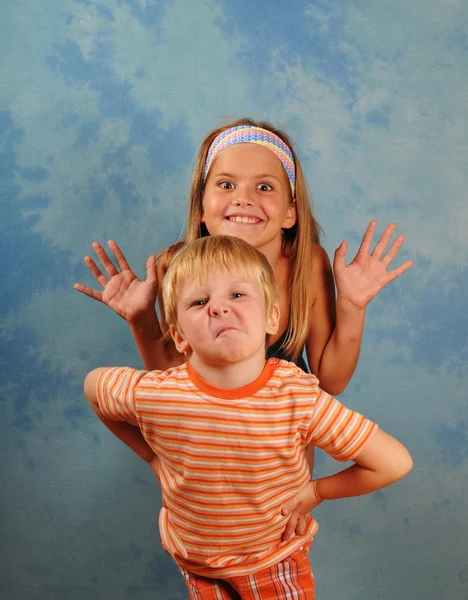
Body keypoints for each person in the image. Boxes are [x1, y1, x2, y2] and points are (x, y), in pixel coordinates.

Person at [84, 235, 413, 600]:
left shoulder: (296, 396)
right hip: (197, 563)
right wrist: (152, 457)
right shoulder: (157, 394)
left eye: (237, 295)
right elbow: (94, 387)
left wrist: (318, 491)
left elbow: (393, 462)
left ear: (273, 315)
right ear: (178, 336)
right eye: (199, 301)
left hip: (274, 561)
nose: (219, 309)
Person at [75, 118, 413, 392]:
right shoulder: (174, 266)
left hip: (284, 456)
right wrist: (141, 319)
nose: (243, 198)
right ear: (202, 207)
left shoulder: (306, 263)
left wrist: (352, 308)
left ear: (291, 212)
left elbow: (331, 380)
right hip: (209, 446)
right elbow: (174, 373)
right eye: (225, 185)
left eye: (264, 187)